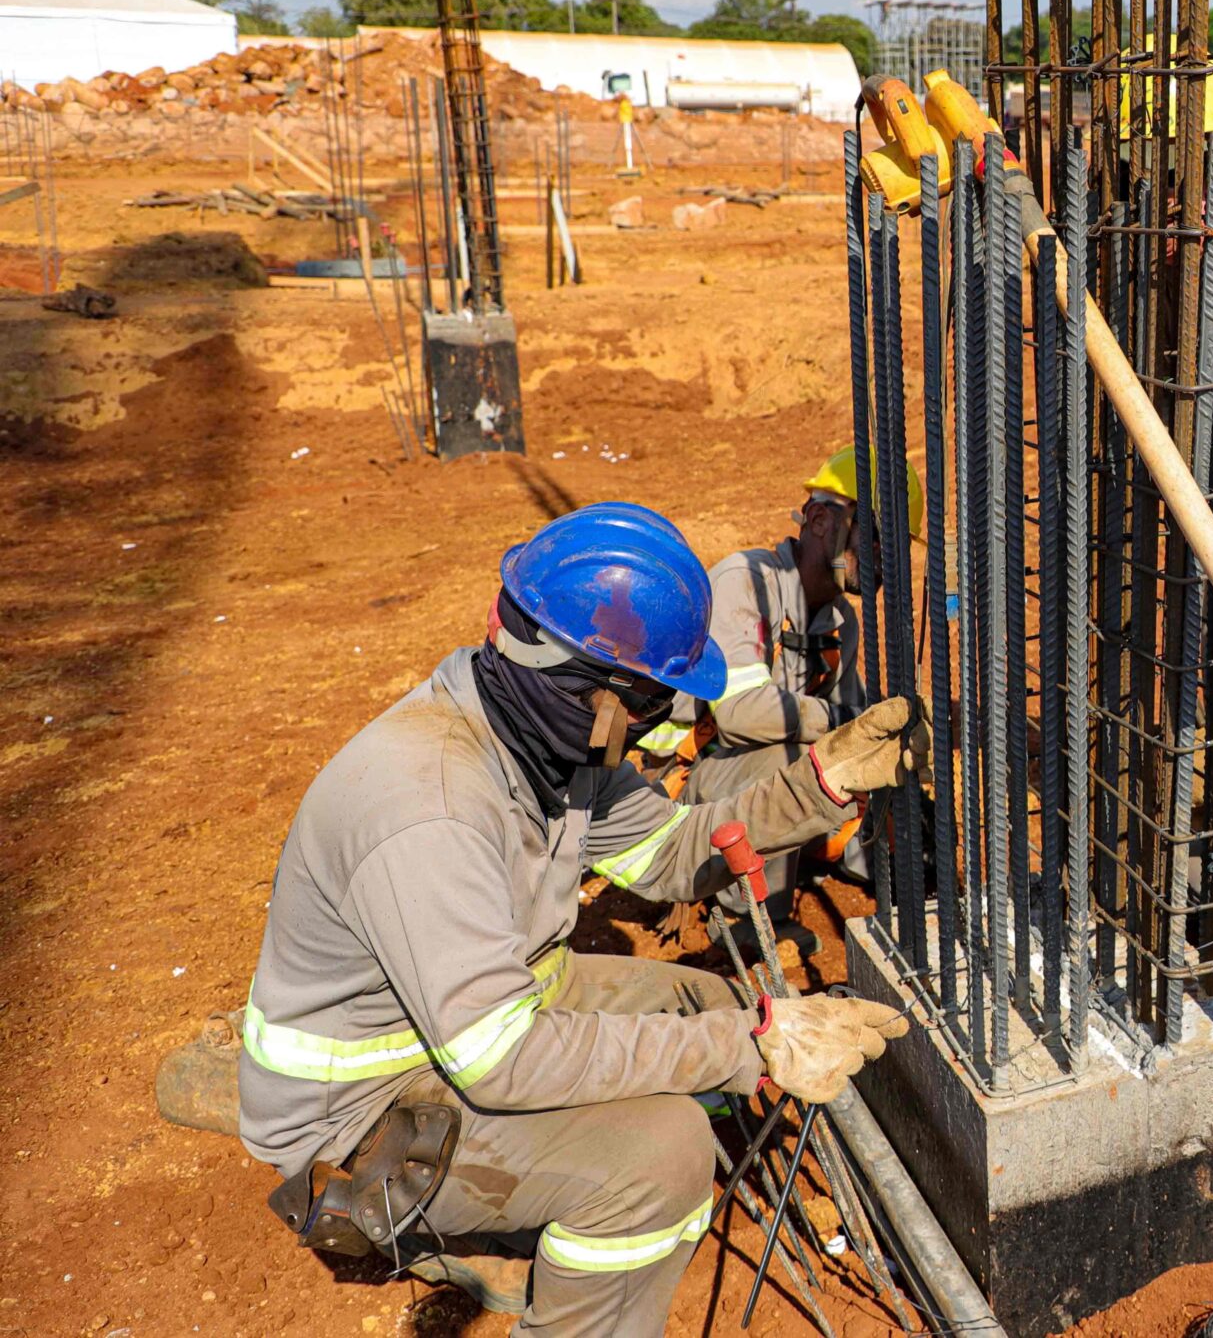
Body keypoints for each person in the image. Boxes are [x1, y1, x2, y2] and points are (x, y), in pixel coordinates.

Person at [238, 503, 921, 1335]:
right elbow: (504, 1058)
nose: (668, 720)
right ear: (595, 691)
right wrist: (752, 1043)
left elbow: (671, 853)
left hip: (480, 1019)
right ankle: (571, 1254)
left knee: (701, 1010)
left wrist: (818, 782)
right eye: (656, 699)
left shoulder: (544, 741)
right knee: (665, 1153)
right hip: (361, 1112)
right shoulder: (432, 808)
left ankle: (541, 1215)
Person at [651, 447, 922, 956]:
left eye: (898, 546)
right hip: (678, 787)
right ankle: (747, 921)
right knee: (793, 755)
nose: (889, 560)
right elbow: (738, 716)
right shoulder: (746, 582)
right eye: (878, 538)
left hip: (741, 782)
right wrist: (848, 722)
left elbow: (851, 746)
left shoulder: (842, 621)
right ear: (819, 520)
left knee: (863, 767)